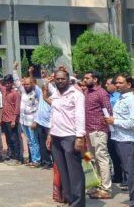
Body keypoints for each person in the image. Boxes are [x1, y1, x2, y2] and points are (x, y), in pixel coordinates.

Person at [45, 69, 86, 207]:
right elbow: (53, 115)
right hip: (56, 136)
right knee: (63, 171)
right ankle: (69, 200)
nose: (60, 81)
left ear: (68, 79)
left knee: (74, 172)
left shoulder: (76, 95)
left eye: (63, 79)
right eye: (57, 79)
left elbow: (80, 116)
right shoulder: (55, 94)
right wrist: (50, 134)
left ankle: (78, 203)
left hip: (70, 137)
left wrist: (79, 137)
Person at [104, 74, 134, 207]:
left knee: (132, 173)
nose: (117, 85)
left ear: (129, 84)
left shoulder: (132, 100)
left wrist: (115, 121)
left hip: (128, 141)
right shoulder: (122, 99)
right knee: (129, 172)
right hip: (120, 139)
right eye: (116, 83)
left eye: (121, 83)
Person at [82, 71, 114, 199]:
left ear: (95, 79)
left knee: (102, 158)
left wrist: (104, 126)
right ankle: (96, 185)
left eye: (87, 78)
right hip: (88, 131)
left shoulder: (101, 92)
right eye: (84, 78)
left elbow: (108, 111)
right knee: (91, 159)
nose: (84, 80)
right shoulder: (86, 92)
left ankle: (106, 188)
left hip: (99, 130)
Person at [13, 63, 42, 167]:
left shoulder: (36, 92)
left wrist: (35, 121)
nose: (25, 86)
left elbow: (39, 108)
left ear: (32, 84)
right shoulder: (23, 91)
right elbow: (16, 81)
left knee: (34, 141)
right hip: (23, 120)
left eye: (28, 84)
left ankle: (37, 160)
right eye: (24, 84)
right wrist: (14, 69)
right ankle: (32, 159)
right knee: (29, 141)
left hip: (32, 120)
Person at [105, 76, 125, 187]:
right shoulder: (107, 96)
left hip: (119, 129)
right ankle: (117, 175)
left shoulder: (119, 97)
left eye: (108, 84)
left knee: (121, 155)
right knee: (113, 154)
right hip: (110, 129)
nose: (106, 86)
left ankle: (125, 178)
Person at [0, 74, 22, 165]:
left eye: (9, 83)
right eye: (6, 83)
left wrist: (14, 120)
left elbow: (17, 108)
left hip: (12, 120)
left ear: (12, 83)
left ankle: (17, 158)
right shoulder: (4, 90)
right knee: (8, 139)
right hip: (4, 119)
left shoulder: (15, 94)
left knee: (14, 139)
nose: (7, 85)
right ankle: (11, 156)